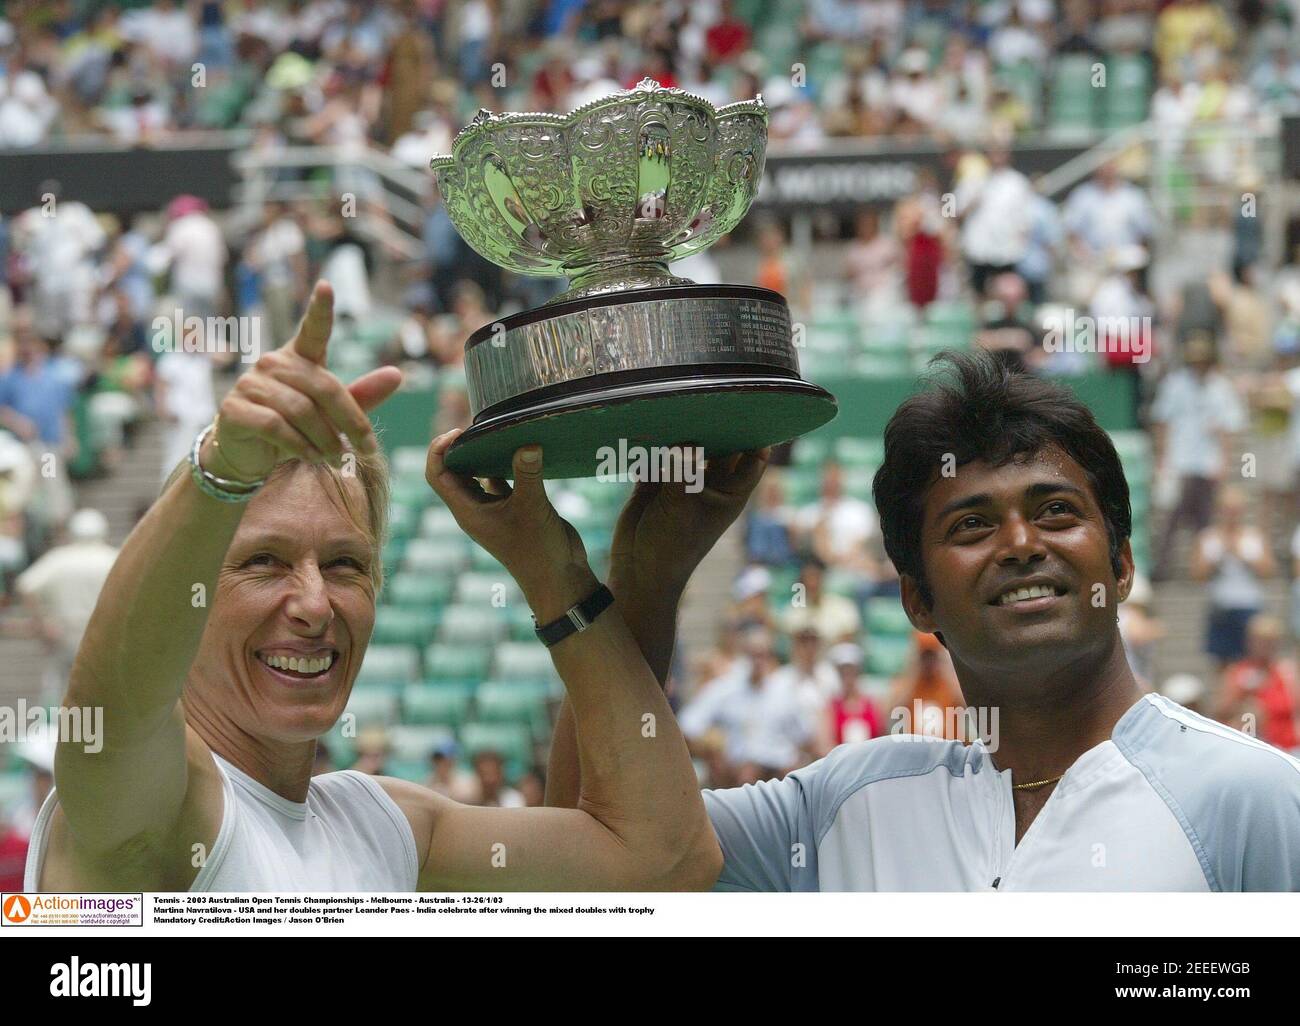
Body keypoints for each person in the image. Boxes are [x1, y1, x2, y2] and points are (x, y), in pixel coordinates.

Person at [23, 281, 733, 893]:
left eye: (343, 565)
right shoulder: (158, 802)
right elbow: (116, 705)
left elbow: (664, 859)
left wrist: (574, 576)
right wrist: (220, 473)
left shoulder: (387, 828)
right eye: (263, 562)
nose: (312, 605)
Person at [550, 349, 1300, 889]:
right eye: (972, 526)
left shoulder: (1249, 796)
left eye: (1057, 511)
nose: (1020, 544)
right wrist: (643, 584)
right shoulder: (838, 811)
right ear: (916, 600)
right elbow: (591, 856)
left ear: (1123, 565)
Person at [16, 509, 119, 706]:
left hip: (65, 634)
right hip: (104, 636)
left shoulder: (59, 559)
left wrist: (43, 623)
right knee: (102, 687)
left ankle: (56, 731)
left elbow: (26, 586)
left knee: (59, 685)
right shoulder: (114, 558)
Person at [1191, 485, 1274, 670]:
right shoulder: (1208, 537)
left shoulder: (1254, 536)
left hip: (1249, 605)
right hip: (1220, 606)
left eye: (1235, 510)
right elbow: (1196, 574)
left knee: (1252, 661)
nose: (1231, 514)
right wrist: (1216, 560)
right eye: (1227, 509)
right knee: (1222, 663)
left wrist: (1245, 558)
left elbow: (1268, 571)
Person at [1216, 615, 1299, 754]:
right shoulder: (1237, 671)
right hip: (1254, 748)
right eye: (1260, 641)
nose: (1264, 646)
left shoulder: (1287, 672)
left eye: (1270, 641)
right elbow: (1221, 712)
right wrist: (1242, 695)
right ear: (1250, 642)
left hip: (1288, 749)